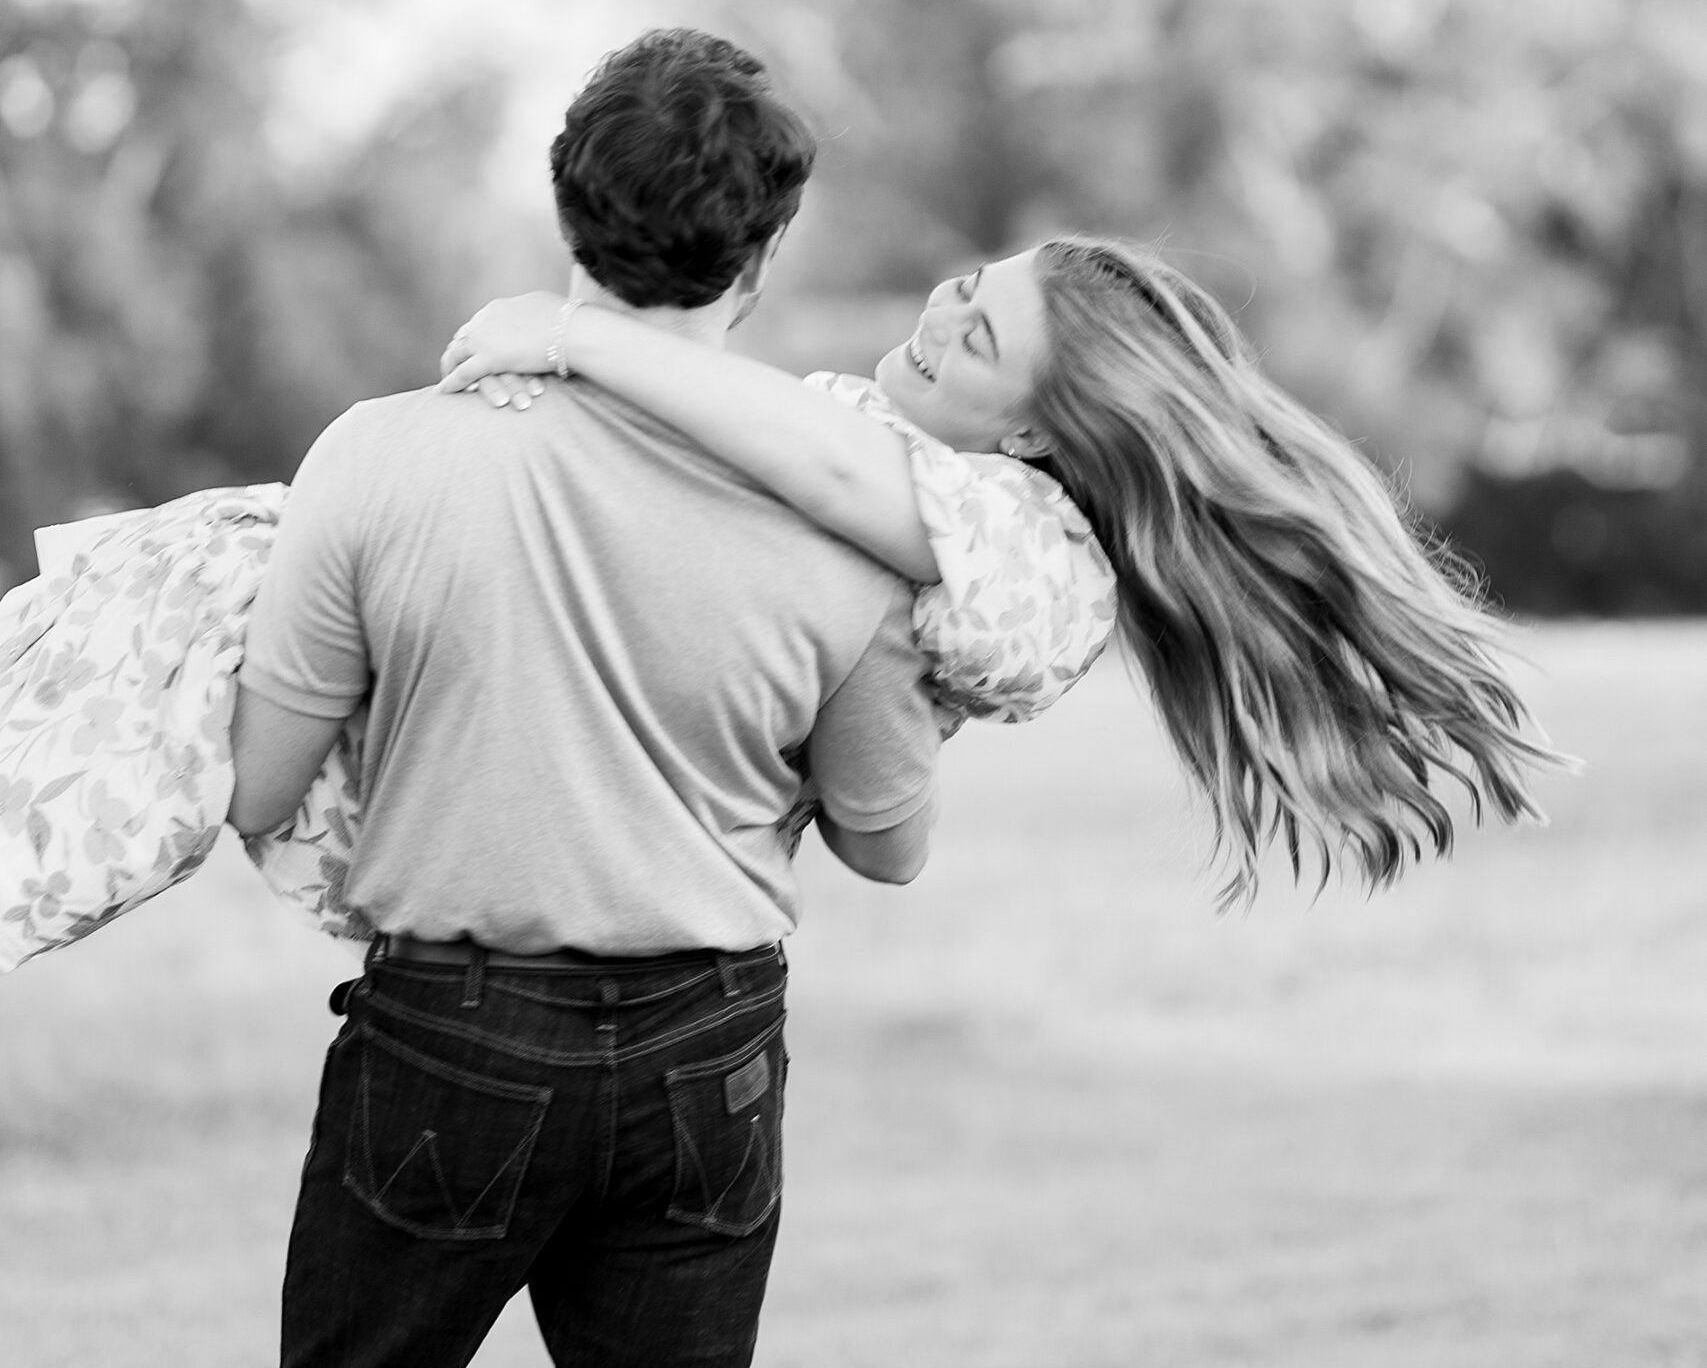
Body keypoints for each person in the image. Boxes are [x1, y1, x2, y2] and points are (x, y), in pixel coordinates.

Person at [225, 29, 941, 1368]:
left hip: (451, 1038)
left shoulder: (377, 459)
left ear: (566, 210)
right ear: (762, 248)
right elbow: (887, 845)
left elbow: (255, 786)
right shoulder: (852, 513)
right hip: (710, 1051)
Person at [441, 236, 1557, 908]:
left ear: (1030, 433)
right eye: (969, 284)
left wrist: (577, 334)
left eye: (978, 339)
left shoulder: (1031, 543)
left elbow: (884, 828)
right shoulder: (882, 432)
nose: (942, 313)